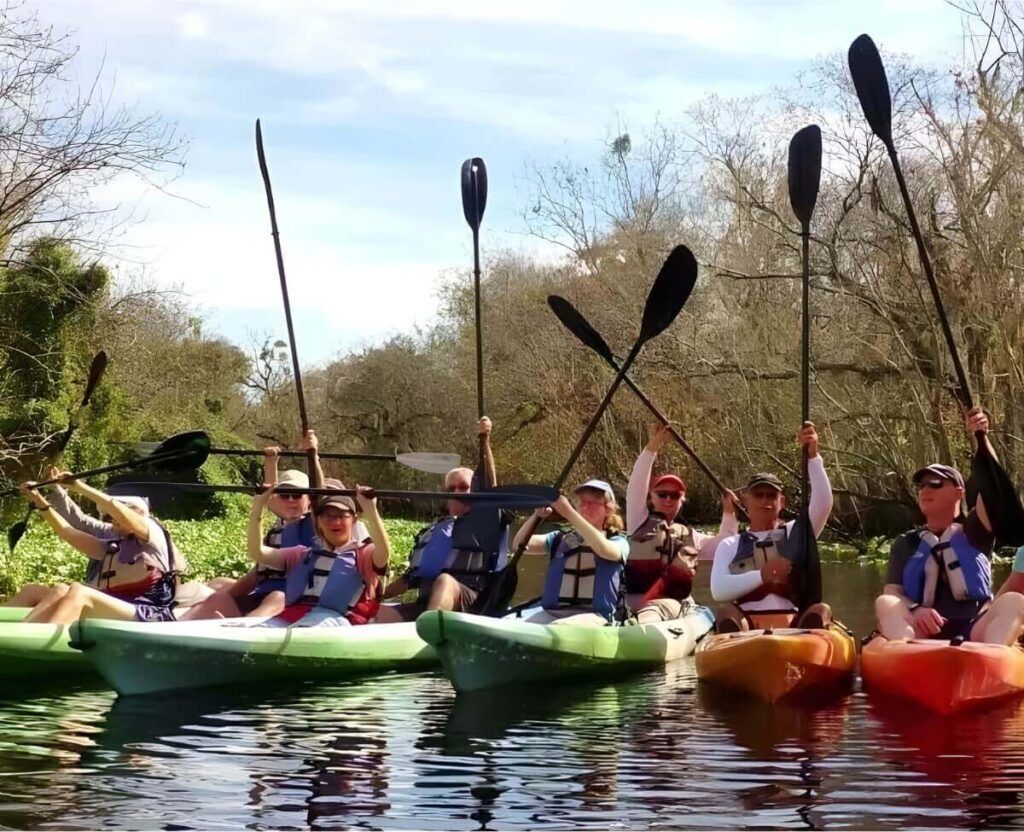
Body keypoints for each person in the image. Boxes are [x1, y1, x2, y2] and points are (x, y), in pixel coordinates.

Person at [875, 408, 1024, 644]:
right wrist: (915, 609)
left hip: (975, 631)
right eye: (921, 486)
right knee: (885, 603)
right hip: (921, 633)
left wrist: (981, 438)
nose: (925, 490)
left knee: (1015, 601)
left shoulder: (975, 530)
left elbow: (995, 490)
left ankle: (991, 662)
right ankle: (905, 656)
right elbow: (893, 592)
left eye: (935, 483)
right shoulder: (906, 543)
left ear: (958, 493)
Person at [376, 417, 507, 622]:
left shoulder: (484, 521)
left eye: (464, 487)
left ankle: (429, 632)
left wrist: (484, 439)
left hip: (471, 605)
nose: (457, 492)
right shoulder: (432, 531)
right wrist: (373, 596)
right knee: (377, 613)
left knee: (445, 581)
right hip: (427, 606)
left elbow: (489, 487)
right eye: (451, 488)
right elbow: (409, 579)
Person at [709, 422, 833, 632]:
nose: (765, 501)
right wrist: (762, 576)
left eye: (771, 496)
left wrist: (813, 457)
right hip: (747, 625)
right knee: (725, 611)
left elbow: (823, 502)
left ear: (782, 502)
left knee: (821, 610)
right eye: (758, 495)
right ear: (745, 501)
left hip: (793, 623)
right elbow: (718, 591)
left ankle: (810, 643)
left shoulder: (796, 533)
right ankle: (735, 649)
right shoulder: (730, 544)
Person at [18, 474, 186, 625]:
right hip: (121, 609)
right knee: (59, 590)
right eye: (111, 518)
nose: (113, 521)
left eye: (116, 517)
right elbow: (68, 533)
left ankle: (40, 647)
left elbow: (120, 512)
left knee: (80, 592)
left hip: (151, 615)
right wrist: (38, 500)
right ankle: (19, 637)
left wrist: (79, 487)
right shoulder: (115, 546)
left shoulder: (154, 535)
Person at [625, 423, 739, 623]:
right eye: (663, 494)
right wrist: (652, 448)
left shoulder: (692, 537)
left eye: (675, 495)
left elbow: (726, 545)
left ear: (682, 500)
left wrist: (729, 513)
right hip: (632, 600)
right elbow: (635, 486)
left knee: (656, 612)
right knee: (645, 612)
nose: (669, 499)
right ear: (651, 497)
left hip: (669, 603)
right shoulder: (638, 522)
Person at [247, 479, 390, 627]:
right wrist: (258, 505)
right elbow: (257, 553)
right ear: (319, 522)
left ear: (353, 520)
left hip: (338, 620)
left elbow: (383, 554)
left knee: (306, 629)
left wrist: (371, 510)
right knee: (260, 629)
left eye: (342, 516)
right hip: (293, 616)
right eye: (328, 516)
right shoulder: (301, 555)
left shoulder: (364, 555)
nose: (335, 522)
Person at [513, 480, 629, 626]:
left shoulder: (618, 542)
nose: (585, 506)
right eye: (582, 502)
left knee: (559, 627)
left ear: (608, 509)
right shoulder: (560, 538)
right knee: (507, 622)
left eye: (592, 502)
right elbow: (519, 545)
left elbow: (604, 550)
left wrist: (569, 513)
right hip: (552, 613)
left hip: (594, 617)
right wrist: (537, 517)